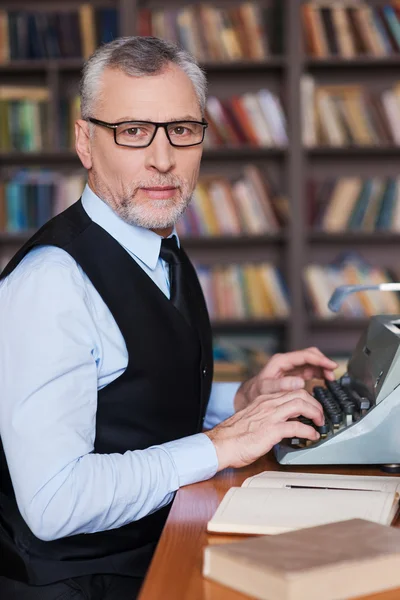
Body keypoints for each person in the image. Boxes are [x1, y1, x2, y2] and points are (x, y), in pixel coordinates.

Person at [0, 36, 337, 600]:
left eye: (181, 129)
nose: (163, 158)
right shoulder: (50, 284)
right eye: (133, 131)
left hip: (162, 549)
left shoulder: (159, 244)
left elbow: (128, 395)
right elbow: (54, 502)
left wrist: (241, 401)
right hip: (80, 585)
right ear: (86, 142)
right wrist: (220, 446)